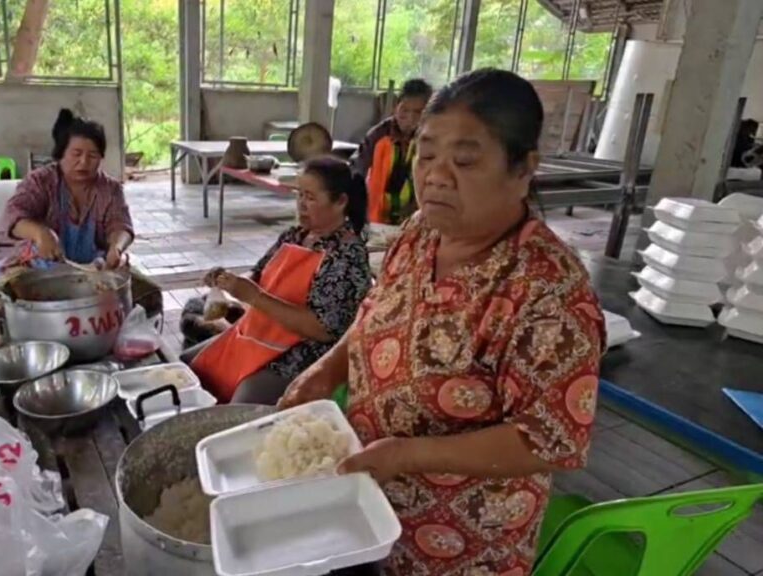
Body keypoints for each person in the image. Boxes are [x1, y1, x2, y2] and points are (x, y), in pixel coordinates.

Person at [279, 69, 606, 575]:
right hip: (372, 505)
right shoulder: (421, 231)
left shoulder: (547, 290)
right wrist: (327, 369)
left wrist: (406, 456)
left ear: (523, 169)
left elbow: (548, 441)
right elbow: (376, 310)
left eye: (465, 160)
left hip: (461, 541)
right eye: (426, 155)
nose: (435, 176)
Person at [181, 156, 372, 405]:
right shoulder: (294, 236)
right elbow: (258, 276)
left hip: (305, 351)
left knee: (245, 402)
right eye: (299, 195)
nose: (301, 205)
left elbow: (323, 330)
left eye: (310, 197)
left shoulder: (347, 254)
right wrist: (227, 282)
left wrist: (255, 297)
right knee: (188, 369)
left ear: (341, 202)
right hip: (260, 332)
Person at [1, 109, 161, 316]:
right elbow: (13, 215)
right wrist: (40, 234)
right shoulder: (40, 181)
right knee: (13, 300)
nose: (84, 162)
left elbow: (120, 224)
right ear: (61, 153)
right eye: (76, 154)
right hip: (39, 268)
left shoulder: (110, 188)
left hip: (95, 269)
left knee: (149, 293)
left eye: (92, 155)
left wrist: (116, 247)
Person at [352, 78, 433, 226]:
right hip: (376, 217)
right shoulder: (378, 135)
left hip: (415, 218)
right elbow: (358, 170)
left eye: (417, 113)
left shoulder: (432, 140)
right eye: (404, 110)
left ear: (428, 113)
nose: (410, 118)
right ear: (396, 107)